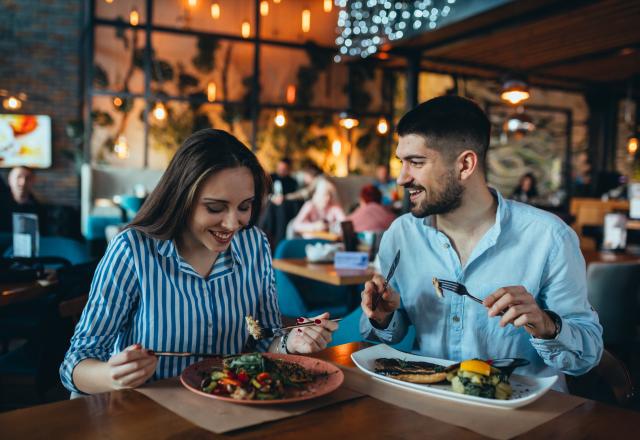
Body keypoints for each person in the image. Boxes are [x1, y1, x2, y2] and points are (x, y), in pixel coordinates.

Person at [60, 129, 338, 395]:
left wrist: (291, 341)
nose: (233, 223)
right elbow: (77, 362)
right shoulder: (133, 250)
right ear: (181, 198)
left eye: (244, 206)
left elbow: (264, 340)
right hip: (148, 411)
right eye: (215, 208)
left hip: (229, 406)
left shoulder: (254, 245)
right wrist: (112, 375)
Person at [359, 96, 602, 390]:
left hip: (523, 412)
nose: (401, 178)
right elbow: (385, 334)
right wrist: (384, 319)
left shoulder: (549, 237)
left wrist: (546, 324)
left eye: (416, 162)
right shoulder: (400, 235)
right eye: (401, 162)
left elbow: (587, 357)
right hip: (430, 403)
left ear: (465, 164)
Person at [0, 166, 46, 233]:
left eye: (27, 178)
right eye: (18, 177)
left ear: (33, 181)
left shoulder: (39, 210)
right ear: (10, 179)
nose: (23, 183)